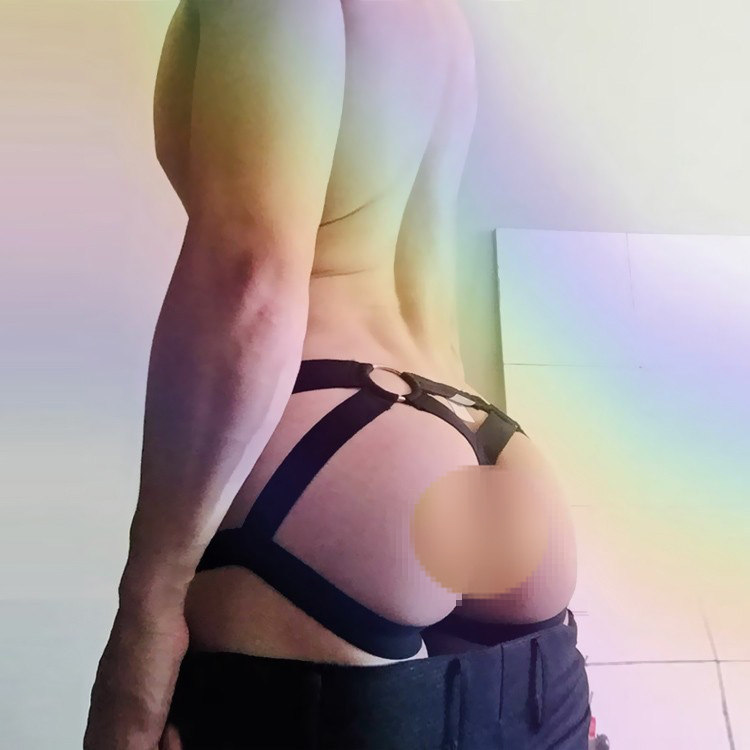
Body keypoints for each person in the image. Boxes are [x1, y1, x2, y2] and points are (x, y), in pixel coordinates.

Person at [84, 1, 591, 748]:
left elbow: (249, 275)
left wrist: (148, 603)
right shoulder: (440, 20)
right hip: (480, 435)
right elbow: (429, 277)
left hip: (332, 436)